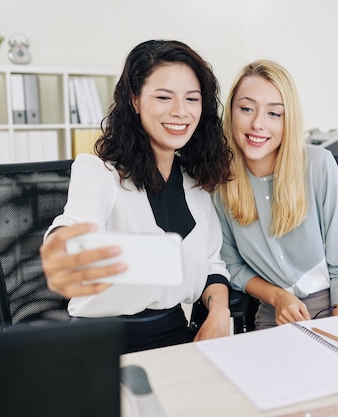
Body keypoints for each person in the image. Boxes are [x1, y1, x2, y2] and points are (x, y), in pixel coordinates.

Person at [39, 40, 233, 353]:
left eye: (192, 99)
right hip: (100, 345)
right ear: (135, 101)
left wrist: (219, 313)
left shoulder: (195, 184)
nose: (180, 111)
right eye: (163, 97)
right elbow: (74, 224)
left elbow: (213, 265)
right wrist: (63, 249)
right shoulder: (98, 173)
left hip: (174, 336)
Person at [213, 60, 338, 330]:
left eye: (274, 113)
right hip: (275, 311)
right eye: (247, 108)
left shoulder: (319, 165)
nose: (258, 124)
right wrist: (278, 296)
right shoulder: (219, 184)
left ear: (289, 120)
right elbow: (233, 265)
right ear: (231, 113)